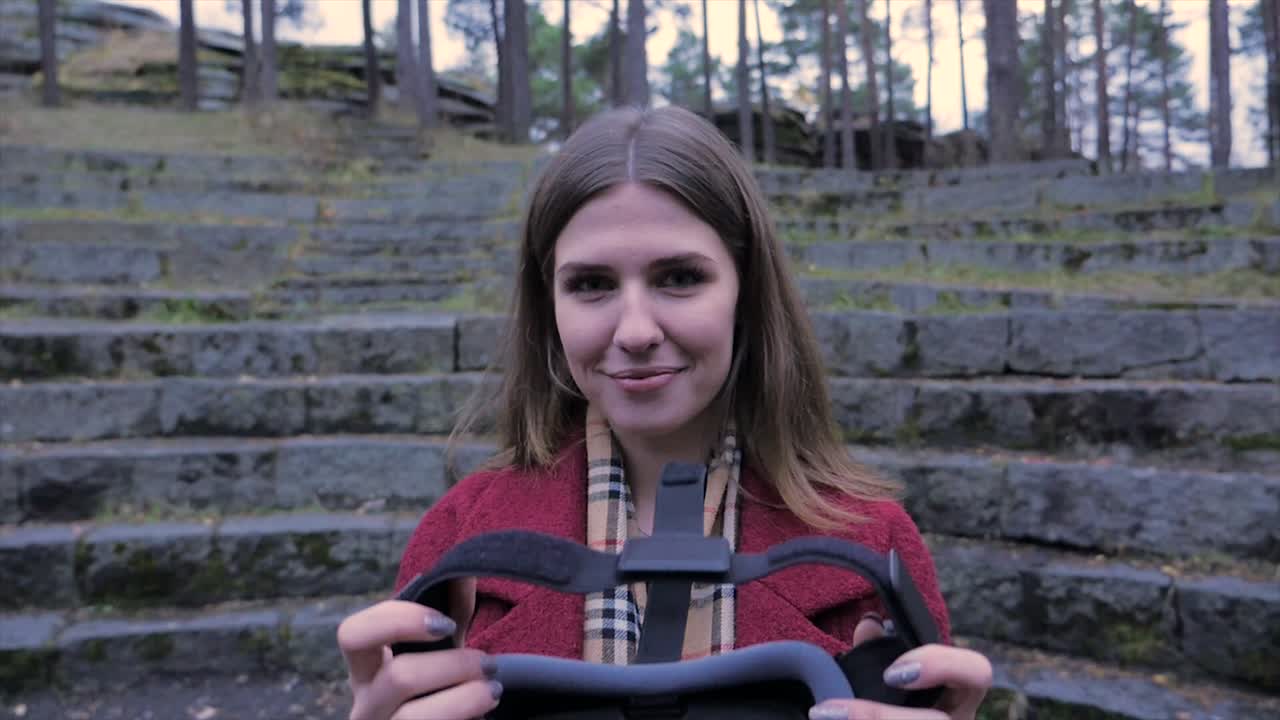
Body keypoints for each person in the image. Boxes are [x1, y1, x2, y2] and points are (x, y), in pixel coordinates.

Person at [337, 105, 993, 720]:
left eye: (679, 277)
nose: (635, 330)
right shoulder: (461, 538)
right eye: (591, 284)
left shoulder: (874, 541)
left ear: (745, 289)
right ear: (550, 306)